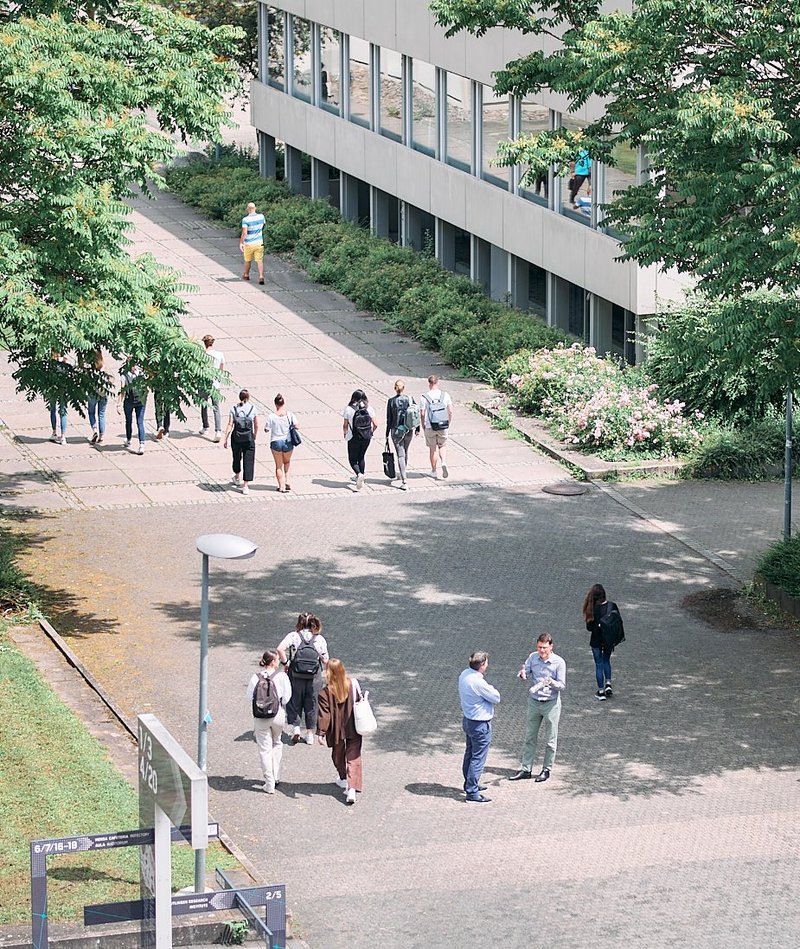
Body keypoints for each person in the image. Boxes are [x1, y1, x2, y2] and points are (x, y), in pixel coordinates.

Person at [509, 633, 567, 784]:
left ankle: (546, 769)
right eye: (539, 647)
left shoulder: (559, 662)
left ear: (551, 647)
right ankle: (526, 769)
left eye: (544, 648)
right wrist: (522, 674)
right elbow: (525, 671)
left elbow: (562, 685)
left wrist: (551, 682)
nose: (541, 651)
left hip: (551, 704)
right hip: (534, 702)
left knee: (550, 739)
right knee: (530, 737)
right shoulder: (533, 657)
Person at [316, 658, 363, 805]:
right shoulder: (352, 684)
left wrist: (321, 733)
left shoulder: (324, 693)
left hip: (336, 730)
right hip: (353, 726)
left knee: (337, 755)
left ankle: (344, 778)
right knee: (353, 757)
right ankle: (352, 788)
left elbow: (325, 715)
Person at [277, 613, 329, 745]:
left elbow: (280, 649)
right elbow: (325, 659)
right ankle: (310, 734)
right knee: (312, 703)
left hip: (296, 674)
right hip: (313, 677)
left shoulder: (294, 636)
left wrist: (286, 663)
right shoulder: (319, 639)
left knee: (294, 700)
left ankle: (296, 729)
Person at [458, 651, 500, 804]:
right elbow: (496, 697)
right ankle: (472, 791)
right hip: (480, 724)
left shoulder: (464, 675)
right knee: (478, 757)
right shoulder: (478, 682)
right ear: (482, 665)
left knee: (469, 753)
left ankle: (469, 783)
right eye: (486, 663)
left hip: (468, 720)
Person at [247, 649, 291, 794]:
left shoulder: (255, 677)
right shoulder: (282, 676)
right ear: (273, 662)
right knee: (277, 742)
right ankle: (276, 775)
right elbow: (287, 697)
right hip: (277, 714)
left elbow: (250, 697)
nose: (279, 661)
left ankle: (269, 781)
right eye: (277, 659)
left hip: (261, 716)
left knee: (264, 749)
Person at [583, 583, 623, 700]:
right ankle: (608, 684)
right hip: (609, 640)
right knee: (606, 660)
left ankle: (600, 691)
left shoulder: (592, 609)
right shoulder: (613, 606)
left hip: (596, 640)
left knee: (598, 664)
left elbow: (589, 628)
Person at [385, 379, 419, 490]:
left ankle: (404, 480)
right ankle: (403, 472)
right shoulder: (410, 399)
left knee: (400, 454)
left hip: (396, 430)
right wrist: (417, 428)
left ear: (395, 388)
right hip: (408, 429)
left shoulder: (391, 401)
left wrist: (386, 433)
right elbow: (415, 415)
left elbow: (389, 419)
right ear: (404, 388)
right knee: (405, 451)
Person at [223, 389, 258, 494]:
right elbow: (256, 424)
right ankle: (245, 486)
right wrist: (255, 435)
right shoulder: (253, 408)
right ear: (248, 397)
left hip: (236, 438)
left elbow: (230, 424)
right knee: (248, 460)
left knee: (236, 457)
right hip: (248, 438)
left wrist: (225, 438)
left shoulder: (234, 409)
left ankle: (237, 476)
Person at [342, 388, 377, 490]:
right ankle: (362, 476)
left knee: (352, 459)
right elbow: (376, 424)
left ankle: (359, 474)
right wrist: (371, 432)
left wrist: (345, 434)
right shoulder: (369, 409)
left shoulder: (348, 409)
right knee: (361, 456)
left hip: (353, 437)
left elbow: (345, 425)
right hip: (366, 437)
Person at [420, 374, 453, 480]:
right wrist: (448, 422)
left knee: (432, 448)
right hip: (443, 425)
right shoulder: (445, 395)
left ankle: (434, 471)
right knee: (442, 445)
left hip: (431, 426)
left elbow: (422, 413)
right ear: (438, 382)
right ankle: (443, 462)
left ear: (429, 384)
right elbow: (450, 411)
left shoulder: (424, 397)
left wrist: (423, 425)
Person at [266, 393, 299, 493]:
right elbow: (297, 426)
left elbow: (267, 429)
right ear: (283, 403)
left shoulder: (271, 416)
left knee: (278, 465)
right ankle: (288, 480)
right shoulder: (290, 415)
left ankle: (281, 486)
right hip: (287, 442)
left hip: (276, 442)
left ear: (275, 404)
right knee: (287, 462)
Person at [199, 335, 224, 442]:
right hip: (216, 385)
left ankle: (205, 427)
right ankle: (218, 430)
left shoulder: (202, 355)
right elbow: (221, 370)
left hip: (204, 384)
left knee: (204, 405)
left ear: (204, 343)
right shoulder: (220, 354)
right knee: (216, 407)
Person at [118, 366, 148, 455]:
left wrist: (118, 403)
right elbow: (147, 386)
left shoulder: (124, 375)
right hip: (141, 401)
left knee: (129, 421)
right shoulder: (142, 373)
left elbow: (122, 390)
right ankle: (142, 444)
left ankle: (128, 439)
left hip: (129, 400)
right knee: (140, 422)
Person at [240, 201, 266, 285]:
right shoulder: (261, 217)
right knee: (259, 260)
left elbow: (245, 233)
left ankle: (246, 274)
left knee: (247, 260)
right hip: (259, 242)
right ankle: (261, 276)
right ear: (255, 208)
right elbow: (263, 226)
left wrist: (241, 242)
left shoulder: (245, 220)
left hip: (249, 243)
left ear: (247, 209)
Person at [86, 349, 108, 446]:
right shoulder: (104, 368)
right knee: (101, 414)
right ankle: (101, 435)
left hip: (92, 394)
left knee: (91, 412)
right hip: (103, 394)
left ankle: (94, 430)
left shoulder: (91, 369)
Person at [47, 352, 69, 445]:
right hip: (63, 389)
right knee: (63, 412)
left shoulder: (51, 363)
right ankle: (63, 436)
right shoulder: (65, 362)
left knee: (53, 410)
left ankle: (54, 432)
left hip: (53, 389)